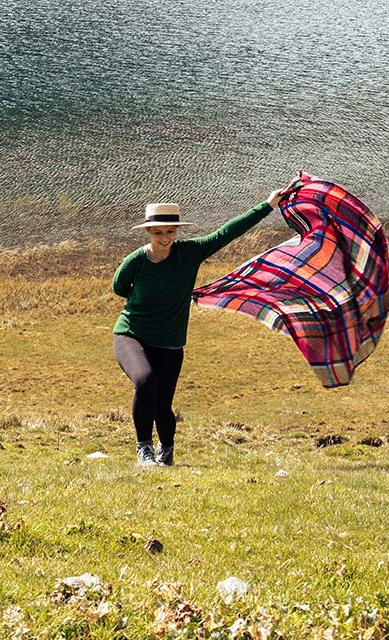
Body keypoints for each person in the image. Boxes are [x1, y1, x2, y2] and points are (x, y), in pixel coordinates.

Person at [111, 188, 291, 467]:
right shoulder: (136, 261)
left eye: (170, 231)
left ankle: (166, 451)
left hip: (170, 342)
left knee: (162, 406)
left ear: (176, 231)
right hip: (131, 334)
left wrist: (268, 205)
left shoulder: (190, 253)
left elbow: (227, 232)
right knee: (145, 382)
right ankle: (144, 450)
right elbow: (118, 287)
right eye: (158, 233)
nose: (165, 238)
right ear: (148, 232)